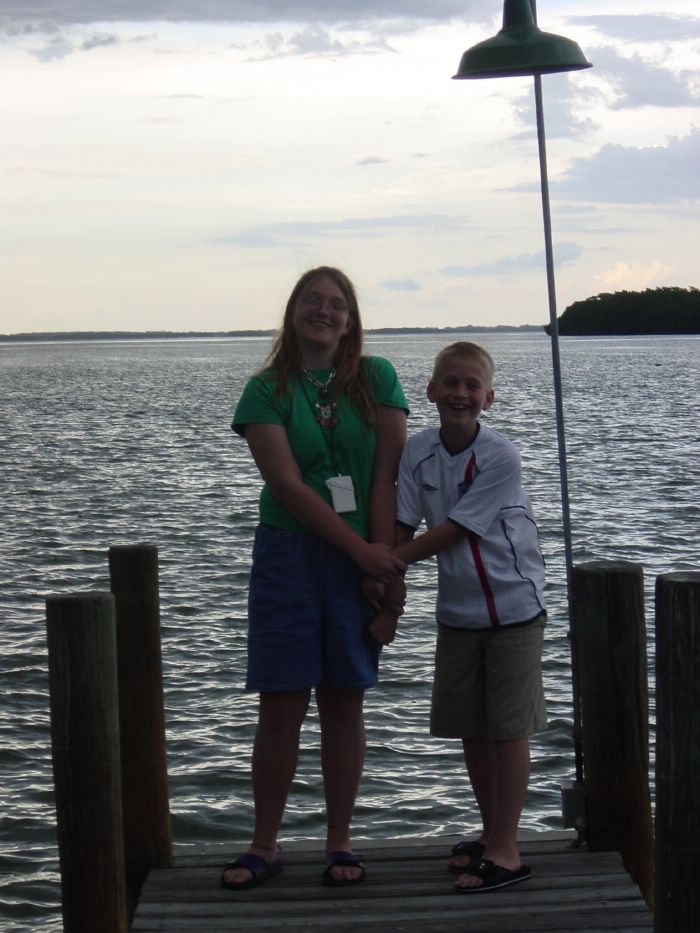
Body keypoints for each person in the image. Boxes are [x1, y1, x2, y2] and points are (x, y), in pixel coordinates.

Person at [222, 266, 408, 891]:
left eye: (337, 304)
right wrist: (363, 552)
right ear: (293, 310)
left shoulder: (378, 379)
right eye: (313, 300)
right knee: (280, 705)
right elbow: (287, 486)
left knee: (343, 701)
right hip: (290, 554)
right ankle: (264, 843)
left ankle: (339, 842)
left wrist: (384, 564)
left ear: (351, 321)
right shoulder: (265, 390)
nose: (323, 311)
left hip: (361, 554)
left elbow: (385, 477)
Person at [368, 340, 547, 893]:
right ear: (430, 391)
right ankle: (492, 832)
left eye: (472, 386)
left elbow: (454, 530)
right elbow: (403, 523)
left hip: (513, 608)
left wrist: (387, 561)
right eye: (450, 383)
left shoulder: (500, 456)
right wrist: (388, 597)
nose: (460, 394)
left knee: (508, 730)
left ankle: (508, 851)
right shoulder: (417, 452)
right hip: (458, 613)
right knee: (472, 728)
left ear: (488, 398)